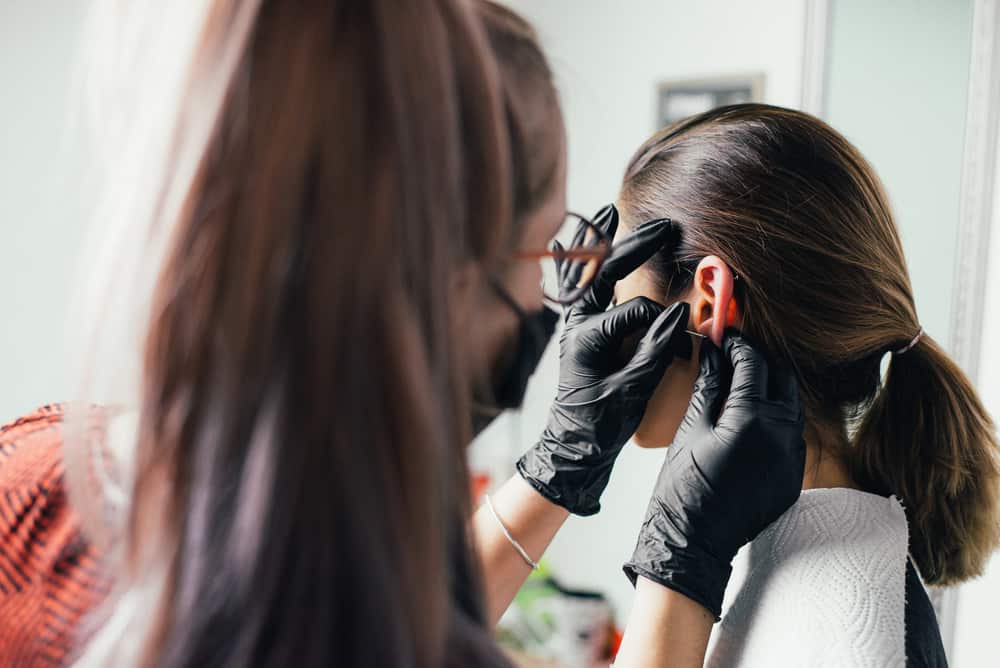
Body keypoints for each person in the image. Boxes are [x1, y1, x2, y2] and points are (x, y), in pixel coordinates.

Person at [0, 3, 805, 666]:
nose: (557, 286)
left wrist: (561, 468)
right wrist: (681, 564)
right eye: (547, 243)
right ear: (444, 280)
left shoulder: (32, 473)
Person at [611, 103, 1000, 666]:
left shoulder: (849, 624)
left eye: (622, 297)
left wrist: (672, 556)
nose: (606, 331)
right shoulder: (787, 537)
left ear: (709, 303)